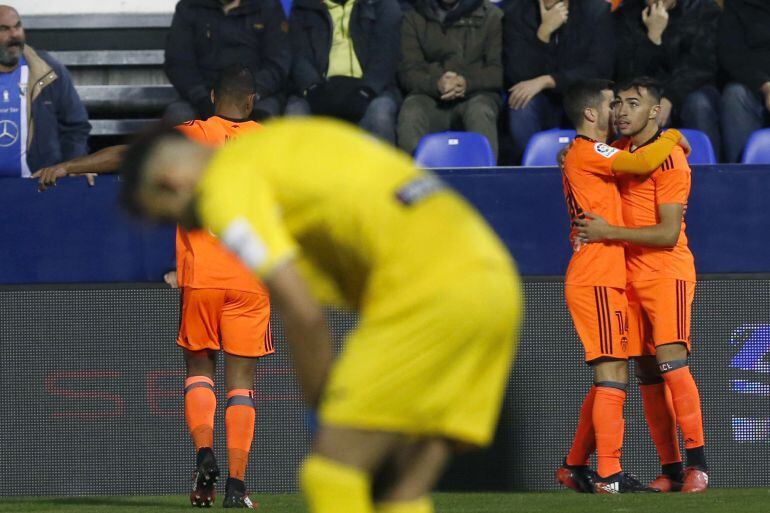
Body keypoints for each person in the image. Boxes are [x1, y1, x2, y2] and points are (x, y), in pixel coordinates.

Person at [118, 116, 522, 513]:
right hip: (493, 282)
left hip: (426, 293)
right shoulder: (285, 138)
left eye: (169, 213)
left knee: (333, 472)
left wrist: (321, 413)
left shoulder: (225, 187)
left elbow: (302, 311)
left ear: (170, 178)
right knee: (400, 490)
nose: (184, 224)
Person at [33, 66, 270, 509]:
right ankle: (237, 485)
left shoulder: (193, 135)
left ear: (214, 94)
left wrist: (69, 165)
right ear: (252, 100)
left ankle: (204, 454)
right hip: (251, 280)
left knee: (199, 372)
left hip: (201, 276)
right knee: (242, 384)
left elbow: (127, 154)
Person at [555, 78, 689, 494]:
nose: (617, 111)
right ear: (591, 113)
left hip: (606, 275)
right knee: (612, 374)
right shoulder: (589, 149)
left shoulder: (594, 154)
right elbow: (638, 165)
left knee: (611, 375)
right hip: (596, 275)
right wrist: (674, 136)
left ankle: (576, 466)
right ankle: (609, 475)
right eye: (611, 104)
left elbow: (626, 161)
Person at [503, 0, 615, 163]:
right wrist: (543, 35)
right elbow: (518, 75)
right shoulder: (516, 12)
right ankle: (530, 172)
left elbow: (599, 69)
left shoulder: (595, 10)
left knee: (601, 102)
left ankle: (596, 168)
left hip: (580, 93)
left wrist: (548, 80)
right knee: (520, 103)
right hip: (541, 99)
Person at [614, 0, 722, 160]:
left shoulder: (704, 9)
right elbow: (629, 74)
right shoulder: (625, 15)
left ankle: (712, 172)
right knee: (626, 104)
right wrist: (653, 37)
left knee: (699, 104)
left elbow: (701, 66)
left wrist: (670, 97)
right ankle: (629, 172)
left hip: (692, 89)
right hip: (646, 92)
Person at [397, 0, 503, 159]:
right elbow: (409, 71)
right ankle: (413, 182)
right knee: (411, 111)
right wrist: (436, 84)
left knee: (480, 112)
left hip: (476, 94)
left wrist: (466, 83)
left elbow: (498, 70)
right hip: (429, 95)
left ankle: (485, 179)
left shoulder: (492, 16)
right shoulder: (414, 16)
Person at [287, 0, 402, 143]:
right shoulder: (304, 7)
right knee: (295, 114)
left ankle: (383, 166)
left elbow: (386, 54)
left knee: (380, 114)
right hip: (318, 88)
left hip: (370, 88)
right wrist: (313, 88)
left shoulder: (381, 5)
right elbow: (298, 55)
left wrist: (367, 90)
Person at [164, 0, 290, 123]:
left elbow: (277, 62)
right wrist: (202, 98)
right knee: (179, 117)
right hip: (202, 96)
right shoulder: (189, 7)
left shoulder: (267, 6)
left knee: (266, 119)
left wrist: (251, 94)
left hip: (255, 95)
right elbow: (178, 63)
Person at [0, 5, 90, 177]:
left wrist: (71, 167)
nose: (15, 35)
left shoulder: (49, 71)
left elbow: (76, 127)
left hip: (40, 190)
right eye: (3, 29)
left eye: (17, 26)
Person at [718, 0, 770, 163]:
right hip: (753, 86)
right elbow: (731, 55)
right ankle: (739, 176)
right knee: (734, 94)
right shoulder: (738, 6)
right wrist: (765, 86)